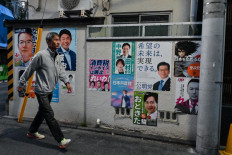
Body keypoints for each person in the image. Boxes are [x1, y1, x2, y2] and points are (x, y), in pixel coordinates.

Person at [17, 32, 72, 148]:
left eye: (58, 40)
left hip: (50, 90)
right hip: (41, 91)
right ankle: (61, 140)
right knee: (49, 114)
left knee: (42, 112)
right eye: (55, 40)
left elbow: (60, 70)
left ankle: (32, 131)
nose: (58, 42)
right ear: (48, 42)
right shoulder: (41, 55)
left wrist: (67, 82)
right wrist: (21, 83)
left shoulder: (56, 55)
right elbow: (29, 70)